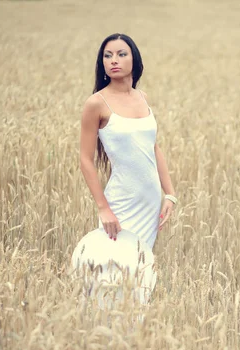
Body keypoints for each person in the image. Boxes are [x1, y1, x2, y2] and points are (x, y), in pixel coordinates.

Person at [79, 33, 177, 249]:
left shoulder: (143, 97)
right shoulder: (96, 103)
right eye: (107, 55)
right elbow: (85, 160)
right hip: (121, 203)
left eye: (121, 54)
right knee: (112, 271)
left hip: (150, 203)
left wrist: (170, 193)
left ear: (135, 60)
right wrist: (103, 208)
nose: (114, 60)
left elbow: (153, 146)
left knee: (140, 274)